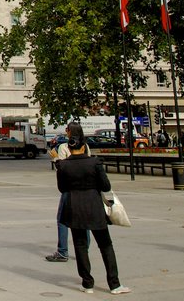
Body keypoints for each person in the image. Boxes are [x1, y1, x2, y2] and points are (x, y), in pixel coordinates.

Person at [57, 132, 129, 295]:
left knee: (80, 246)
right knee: (105, 245)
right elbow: (105, 186)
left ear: (68, 148)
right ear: (84, 147)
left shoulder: (63, 165)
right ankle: (114, 283)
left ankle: (87, 283)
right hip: (94, 206)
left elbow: (62, 188)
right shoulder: (94, 162)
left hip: (74, 207)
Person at [46, 123, 89, 263]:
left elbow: (63, 169)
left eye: (67, 129)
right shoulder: (85, 146)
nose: (65, 131)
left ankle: (63, 251)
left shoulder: (64, 147)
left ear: (70, 132)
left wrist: (55, 158)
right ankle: (84, 249)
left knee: (62, 220)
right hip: (84, 188)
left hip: (69, 188)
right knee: (83, 220)